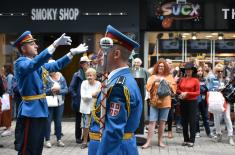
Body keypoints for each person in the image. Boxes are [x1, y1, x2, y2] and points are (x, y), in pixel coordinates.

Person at [13, 31, 88, 155]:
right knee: (27, 148)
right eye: (32, 44)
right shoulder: (21, 63)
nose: (36, 46)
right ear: (23, 48)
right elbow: (34, 64)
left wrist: (71, 53)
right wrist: (54, 45)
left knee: (37, 147)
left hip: (40, 109)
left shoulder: (35, 64)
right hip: (30, 111)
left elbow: (56, 65)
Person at [88, 25, 142, 155]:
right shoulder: (120, 80)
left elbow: (113, 132)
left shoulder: (118, 86)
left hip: (114, 150)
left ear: (116, 54)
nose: (99, 55)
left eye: (104, 50)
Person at [142, 59, 176, 148]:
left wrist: (165, 81)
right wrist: (154, 81)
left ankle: (160, 141)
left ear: (165, 68)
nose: (161, 67)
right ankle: (148, 142)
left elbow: (174, 90)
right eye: (160, 66)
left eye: (163, 66)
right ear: (157, 67)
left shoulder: (169, 77)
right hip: (154, 102)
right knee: (152, 122)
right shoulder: (152, 76)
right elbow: (147, 87)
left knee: (162, 122)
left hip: (166, 102)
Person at [207, 63, 234, 145]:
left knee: (227, 117)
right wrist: (217, 88)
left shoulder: (227, 79)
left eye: (221, 71)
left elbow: (231, 89)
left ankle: (230, 136)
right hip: (216, 100)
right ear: (215, 71)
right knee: (216, 118)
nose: (220, 73)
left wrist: (224, 88)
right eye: (218, 71)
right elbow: (209, 88)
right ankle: (218, 134)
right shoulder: (212, 79)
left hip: (226, 100)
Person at [44, 60, 68, 148]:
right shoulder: (45, 77)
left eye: (52, 67)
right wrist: (50, 90)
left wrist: (59, 91)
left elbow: (66, 89)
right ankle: (47, 140)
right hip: (49, 102)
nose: (51, 70)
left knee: (58, 121)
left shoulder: (61, 77)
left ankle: (59, 139)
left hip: (60, 102)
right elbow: (43, 91)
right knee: (48, 121)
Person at [177, 62, 200, 147]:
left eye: (189, 69)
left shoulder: (196, 80)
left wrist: (187, 93)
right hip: (183, 101)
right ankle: (186, 139)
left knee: (192, 121)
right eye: (186, 69)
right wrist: (182, 93)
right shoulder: (182, 79)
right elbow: (177, 89)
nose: (188, 71)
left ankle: (192, 140)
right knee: (184, 121)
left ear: (192, 70)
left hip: (192, 102)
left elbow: (197, 93)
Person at [69, 55, 91, 144]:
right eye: (87, 62)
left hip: (89, 100)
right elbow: (71, 88)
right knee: (79, 120)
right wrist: (77, 97)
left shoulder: (91, 73)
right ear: (82, 64)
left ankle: (86, 136)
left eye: (89, 62)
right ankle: (78, 137)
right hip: (79, 101)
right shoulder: (77, 75)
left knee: (88, 119)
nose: (89, 63)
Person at [80, 68, 101, 149]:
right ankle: (84, 142)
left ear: (95, 76)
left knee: (96, 124)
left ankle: (95, 141)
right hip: (86, 108)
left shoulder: (99, 83)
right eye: (87, 75)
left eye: (91, 75)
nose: (89, 77)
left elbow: (99, 95)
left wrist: (91, 95)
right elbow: (83, 96)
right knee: (85, 126)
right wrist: (93, 94)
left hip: (96, 108)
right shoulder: (84, 83)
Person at [195, 66, 212, 138]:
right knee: (196, 116)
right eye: (198, 70)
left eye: (201, 70)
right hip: (196, 100)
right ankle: (197, 132)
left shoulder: (205, 79)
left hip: (204, 100)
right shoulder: (194, 79)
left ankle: (208, 132)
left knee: (205, 116)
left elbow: (208, 89)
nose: (200, 72)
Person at [0, 65, 14, 136]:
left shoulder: (10, 76)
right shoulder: (7, 76)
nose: (2, 70)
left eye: (3, 69)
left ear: (6, 69)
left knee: (7, 112)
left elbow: (8, 88)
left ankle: (8, 128)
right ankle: (7, 127)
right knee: (5, 112)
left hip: (7, 96)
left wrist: (6, 94)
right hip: (6, 96)